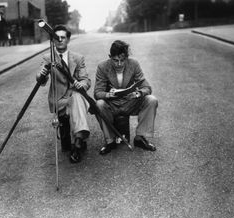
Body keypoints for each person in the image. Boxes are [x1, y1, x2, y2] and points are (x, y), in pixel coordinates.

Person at [36, 25, 91, 163]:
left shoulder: (78, 58)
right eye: (57, 37)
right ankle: (79, 138)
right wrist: (41, 75)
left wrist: (81, 84)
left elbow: (86, 80)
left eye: (63, 37)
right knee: (76, 102)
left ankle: (77, 143)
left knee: (77, 97)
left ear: (68, 40)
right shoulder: (48, 57)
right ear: (53, 40)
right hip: (59, 100)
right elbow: (41, 80)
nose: (60, 40)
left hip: (74, 97)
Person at [94, 40, 158, 155]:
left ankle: (140, 137)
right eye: (115, 60)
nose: (119, 64)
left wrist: (138, 93)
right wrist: (109, 94)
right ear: (110, 57)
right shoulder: (102, 67)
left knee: (151, 100)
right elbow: (97, 93)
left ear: (127, 58)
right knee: (99, 104)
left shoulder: (134, 64)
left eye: (122, 60)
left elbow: (147, 87)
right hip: (112, 104)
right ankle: (110, 141)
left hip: (130, 102)